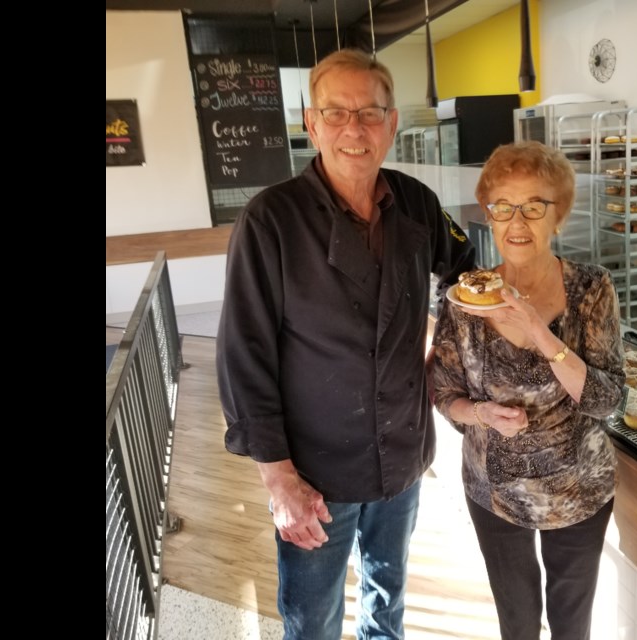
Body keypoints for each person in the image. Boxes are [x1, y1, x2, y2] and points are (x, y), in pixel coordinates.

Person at [216, 49, 476, 640]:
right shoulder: (269, 220)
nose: (353, 128)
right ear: (310, 122)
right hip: (315, 471)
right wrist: (279, 480)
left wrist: (454, 358)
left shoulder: (415, 202)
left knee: (388, 601)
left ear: (393, 122)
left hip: (403, 455)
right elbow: (242, 353)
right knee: (313, 620)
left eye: (369, 112)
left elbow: (464, 275)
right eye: (335, 112)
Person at [430, 141, 625, 640]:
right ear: (489, 216)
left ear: (557, 217)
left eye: (535, 206)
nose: (517, 222)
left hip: (578, 493)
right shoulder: (463, 296)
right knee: (516, 625)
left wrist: (539, 330)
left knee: (571, 625)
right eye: (503, 207)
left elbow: (608, 400)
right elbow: (443, 390)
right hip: (493, 493)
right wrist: (480, 414)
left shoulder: (592, 289)